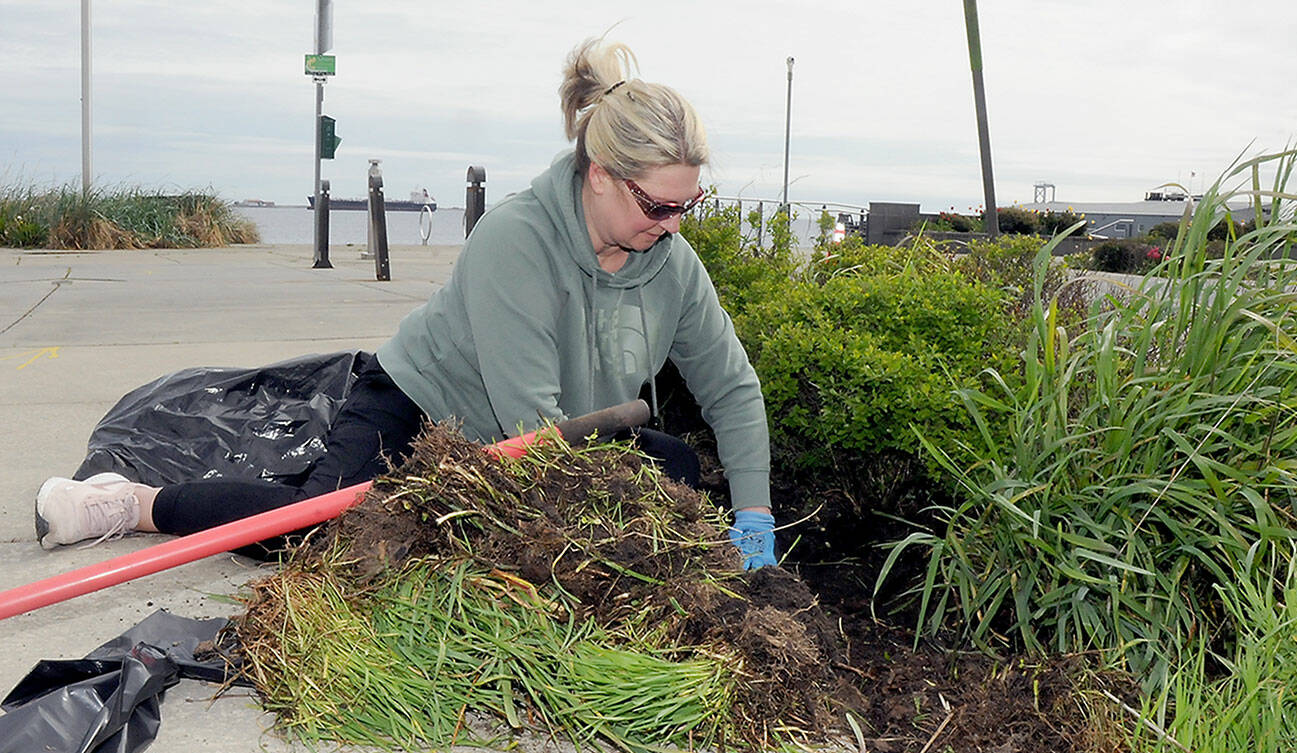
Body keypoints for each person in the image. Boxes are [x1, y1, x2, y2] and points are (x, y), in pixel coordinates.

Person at [34, 37, 778, 570]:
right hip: (427, 411)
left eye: (689, 204)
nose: (675, 225)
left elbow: (733, 390)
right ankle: (131, 503)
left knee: (675, 467)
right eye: (659, 205)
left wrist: (754, 524)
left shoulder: (671, 265)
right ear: (600, 176)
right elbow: (530, 426)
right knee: (320, 532)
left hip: (558, 438)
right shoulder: (516, 239)